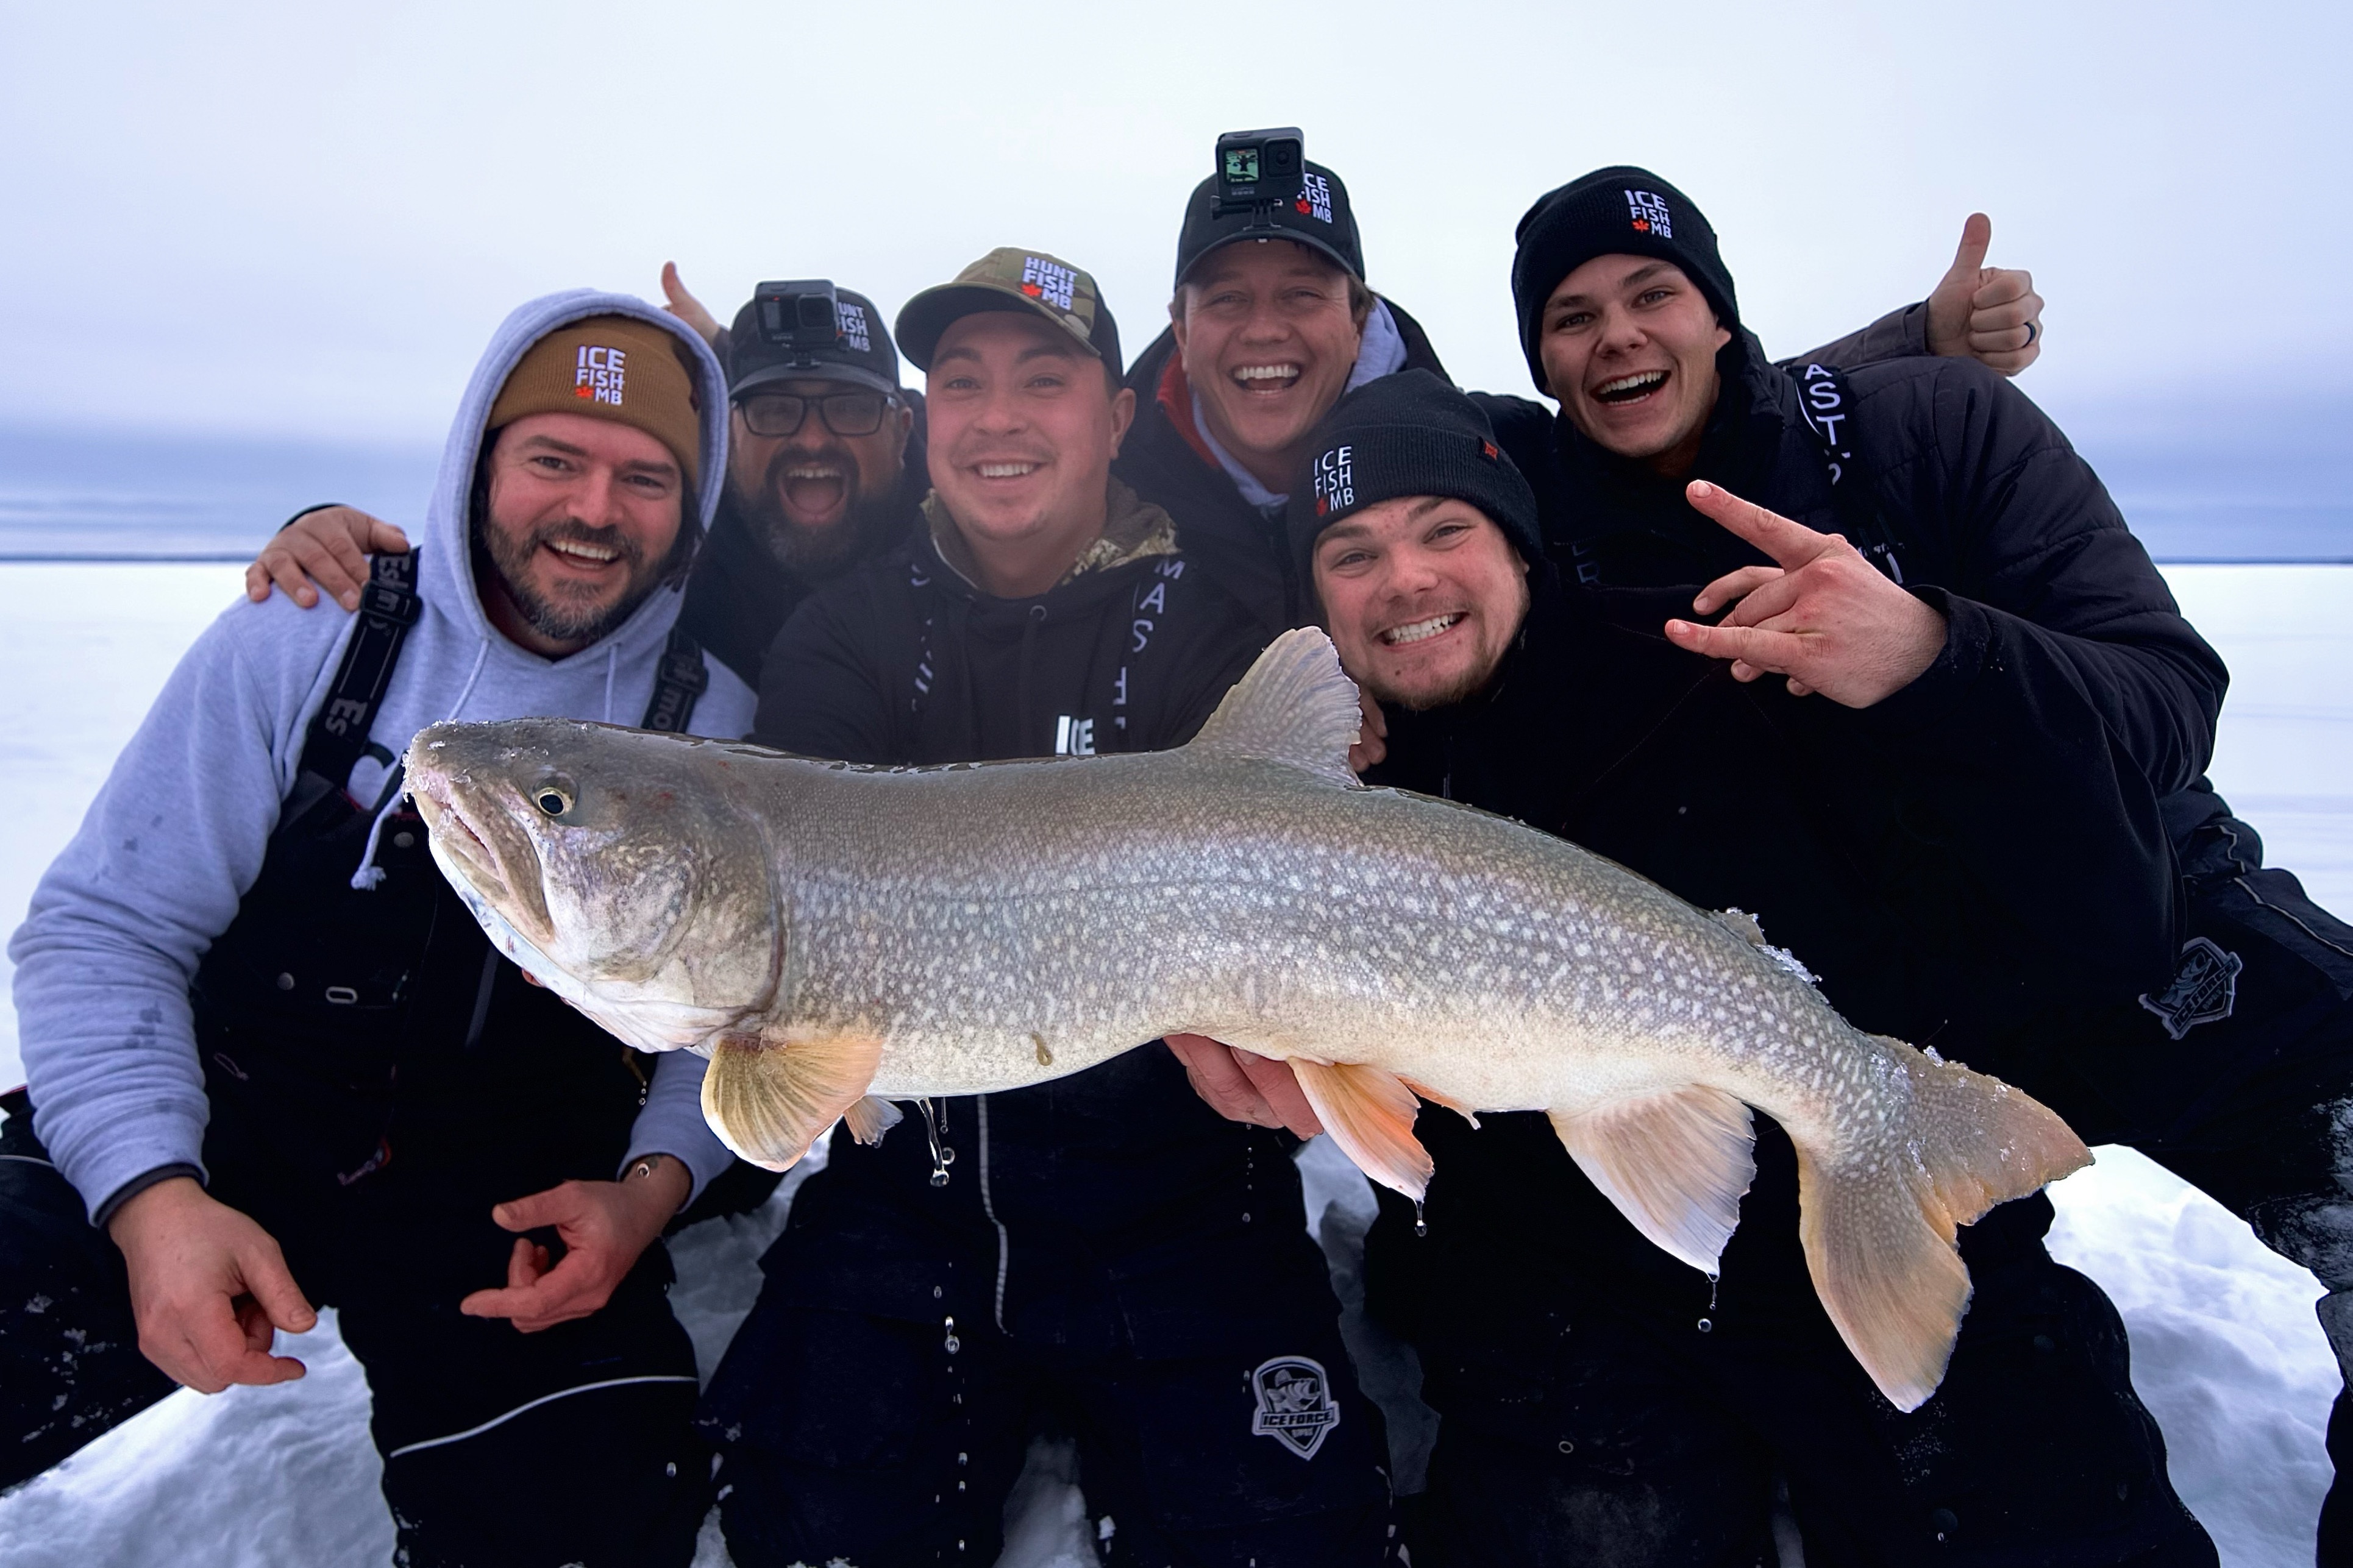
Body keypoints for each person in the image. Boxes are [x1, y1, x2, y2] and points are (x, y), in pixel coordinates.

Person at [1264, 364, 2224, 1564]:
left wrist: (1941, 668)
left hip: (1849, 1222)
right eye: (1351, 554)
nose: (1404, 577)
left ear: (1518, 543)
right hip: (1561, 1298)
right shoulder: (1328, 783)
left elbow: (2100, 904)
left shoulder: (1730, 656)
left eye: (1444, 529)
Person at [0, 293, 755, 1567]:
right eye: (554, 459)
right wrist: (150, 1195)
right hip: (226, 1122)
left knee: (587, 1531)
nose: (593, 509)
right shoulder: (314, 631)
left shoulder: (710, 724)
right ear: (478, 464)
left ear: (691, 512)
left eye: (645, 478)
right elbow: (106, 930)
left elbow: (730, 1021)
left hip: (509, 1192)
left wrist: (648, 1187)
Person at [701, 248, 1397, 1567]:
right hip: (907, 1200)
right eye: (963, 383)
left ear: (1118, 414)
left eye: (1042, 380)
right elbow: (787, 860)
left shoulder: (1216, 618)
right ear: (926, 423)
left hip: (1190, 1195)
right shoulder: (844, 631)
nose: (999, 417)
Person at [1112, 138, 2049, 638]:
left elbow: (1723, 390)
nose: (1265, 329)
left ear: (1360, 315)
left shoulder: (1464, 441)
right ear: (1179, 326)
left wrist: (1920, 340)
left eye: (1301, 294)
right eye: (1227, 298)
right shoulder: (1108, 474)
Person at [249, 271, 926, 687]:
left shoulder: (956, 557)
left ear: (902, 431)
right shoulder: (675, 560)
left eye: (851, 409)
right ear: (725, 433)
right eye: (774, 409)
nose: (813, 438)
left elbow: (974, 466)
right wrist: (317, 537)